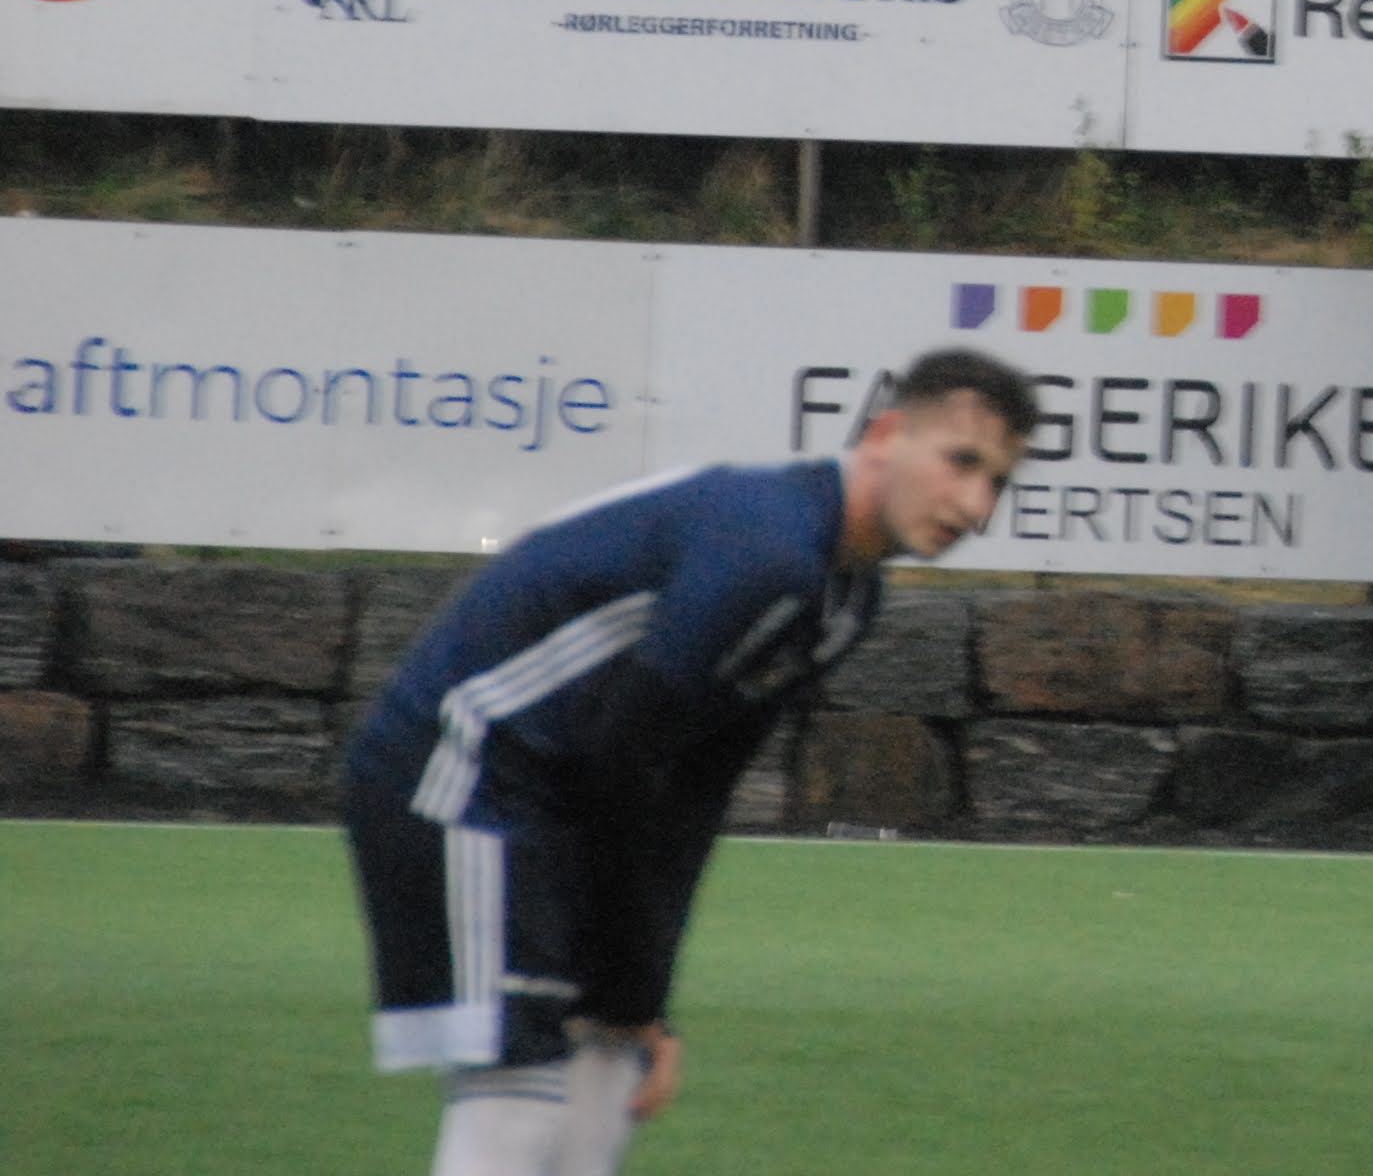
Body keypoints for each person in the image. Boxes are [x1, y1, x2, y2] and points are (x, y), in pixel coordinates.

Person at [339, 348, 1033, 1176]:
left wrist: (641, 999)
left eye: (997, 482)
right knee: (516, 1094)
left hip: (555, 792)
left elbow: (695, 789)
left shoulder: (847, 597)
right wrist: (630, 984)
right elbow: (626, 762)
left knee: (603, 1076)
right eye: (961, 461)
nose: (976, 506)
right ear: (884, 436)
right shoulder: (772, 550)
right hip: (465, 771)